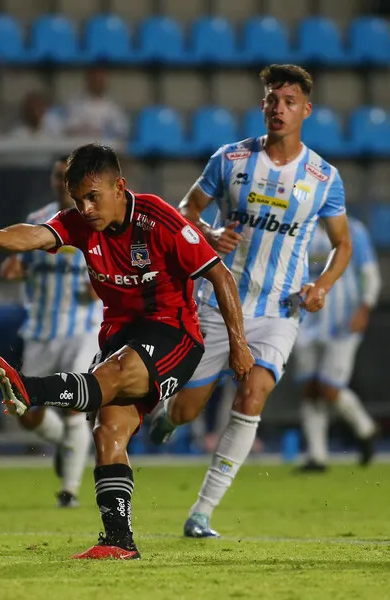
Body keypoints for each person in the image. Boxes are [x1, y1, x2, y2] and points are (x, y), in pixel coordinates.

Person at [0, 143, 254, 560]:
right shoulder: (80, 223)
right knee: (108, 432)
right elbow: (38, 234)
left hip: (173, 333)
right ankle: (119, 541)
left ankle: (30, 389)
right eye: (78, 199)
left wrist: (238, 345)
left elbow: (221, 276)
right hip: (119, 335)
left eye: (92, 197)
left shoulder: (157, 219)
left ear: (119, 187)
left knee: (113, 375)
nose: (85, 208)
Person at [146, 64, 353, 538]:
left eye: (289, 102)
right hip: (218, 305)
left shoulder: (324, 177)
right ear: (262, 105)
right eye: (272, 100)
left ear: (306, 110)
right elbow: (185, 212)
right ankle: (168, 417)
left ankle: (202, 513)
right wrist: (208, 234)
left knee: (253, 393)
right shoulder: (231, 159)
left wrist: (321, 286)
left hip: (279, 310)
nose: (279, 109)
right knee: (186, 411)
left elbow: (342, 245)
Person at [0, 155, 102, 509]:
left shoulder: (96, 219)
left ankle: (69, 490)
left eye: (68, 176)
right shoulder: (36, 221)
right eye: (58, 176)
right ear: (53, 181)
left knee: (75, 405)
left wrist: (101, 285)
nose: (63, 183)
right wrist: (13, 268)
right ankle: (65, 445)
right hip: (41, 330)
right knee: (24, 411)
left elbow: (114, 266)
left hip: (82, 329)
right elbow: (19, 263)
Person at [294, 216, 380, 471]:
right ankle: (317, 456)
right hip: (306, 320)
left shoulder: (353, 229)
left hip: (343, 322)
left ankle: (365, 428)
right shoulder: (301, 227)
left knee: (330, 387)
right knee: (310, 387)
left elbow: (369, 273)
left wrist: (365, 308)